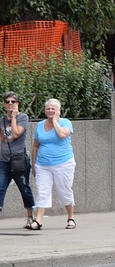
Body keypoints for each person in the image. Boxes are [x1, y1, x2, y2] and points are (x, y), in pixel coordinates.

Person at [30, 98, 75, 231]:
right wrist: (34, 164)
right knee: (42, 191)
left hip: (63, 163)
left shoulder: (65, 123)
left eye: (53, 109)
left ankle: (70, 217)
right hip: (43, 164)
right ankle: (38, 220)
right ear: (45, 111)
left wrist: (55, 121)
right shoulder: (40, 125)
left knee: (64, 190)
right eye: (48, 108)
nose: (50, 111)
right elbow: (35, 145)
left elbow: (62, 135)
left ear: (58, 111)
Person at [1, 91, 35, 228]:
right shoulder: (1, 120)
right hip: (3, 161)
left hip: (19, 160)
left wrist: (14, 117)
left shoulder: (23, 117)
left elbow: (15, 133)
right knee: (0, 187)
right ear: (4, 104)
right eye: (7, 102)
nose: (10, 104)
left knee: (24, 188)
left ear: (17, 104)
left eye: (13, 101)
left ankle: (30, 217)